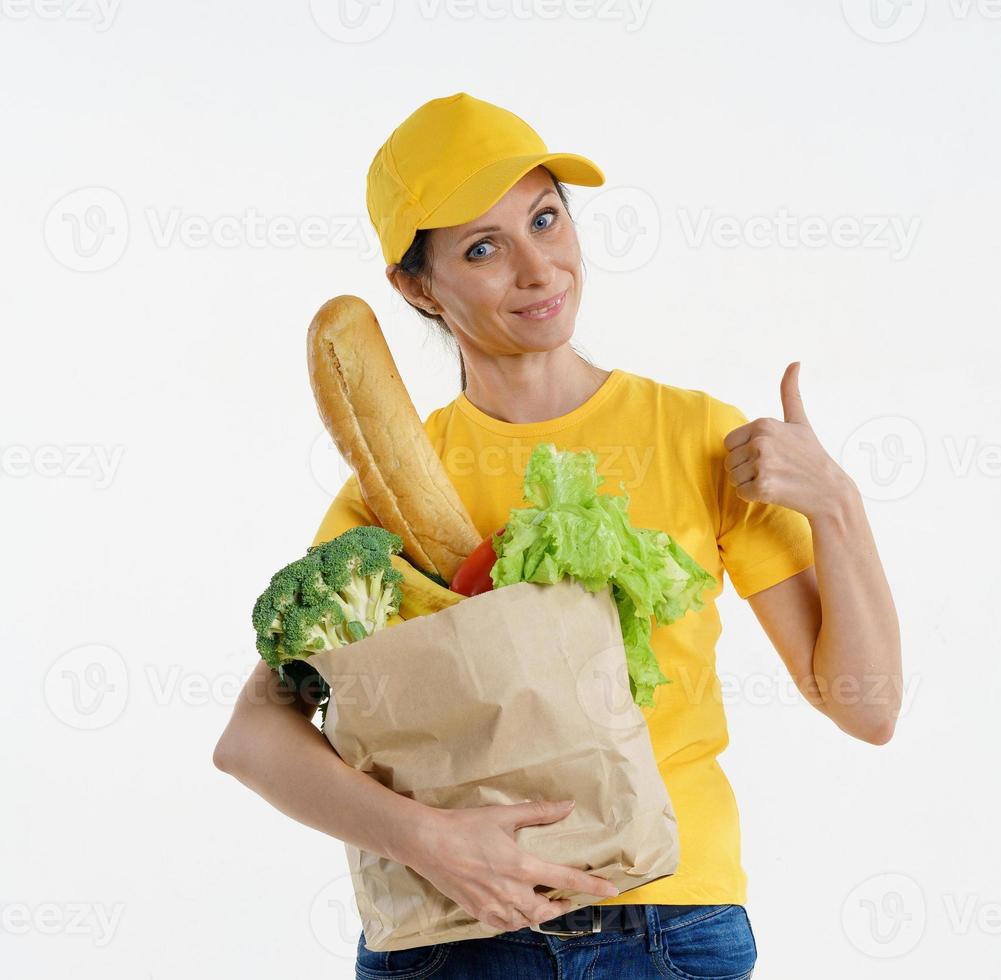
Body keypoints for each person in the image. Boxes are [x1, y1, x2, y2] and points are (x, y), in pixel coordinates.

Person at [213, 92, 902, 980]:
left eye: (546, 220)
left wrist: (838, 507)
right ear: (415, 285)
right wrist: (430, 839)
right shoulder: (393, 488)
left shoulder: (692, 435)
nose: (539, 270)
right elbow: (253, 739)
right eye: (484, 248)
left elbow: (866, 705)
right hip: (456, 935)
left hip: (669, 925)